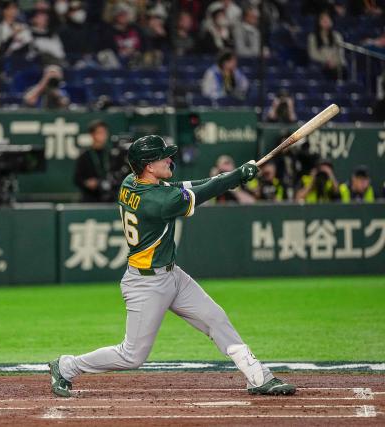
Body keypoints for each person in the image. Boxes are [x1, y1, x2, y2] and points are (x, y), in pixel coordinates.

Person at [48, 135, 296, 398]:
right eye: (162, 157)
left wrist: (233, 175)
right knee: (132, 356)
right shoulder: (159, 202)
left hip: (172, 275)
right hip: (146, 284)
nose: (169, 159)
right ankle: (65, 367)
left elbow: (184, 185)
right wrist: (234, 178)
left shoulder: (131, 182)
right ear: (148, 166)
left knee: (216, 319)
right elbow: (197, 193)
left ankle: (258, 377)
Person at [73, 120, 112, 203]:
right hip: (90, 198)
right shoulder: (84, 156)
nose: (103, 136)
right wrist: (87, 183)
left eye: (104, 133)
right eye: (100, 133)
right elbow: (77, 179)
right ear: (92, 135)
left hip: (109, 198)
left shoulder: (110, 154)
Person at [307, 11, 346, 80]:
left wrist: (334, 62)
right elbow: (313, 54)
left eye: (328, 19)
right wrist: (326, 61)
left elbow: (340, 52)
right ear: (319, 22)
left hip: (337, 65)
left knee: (342, 71)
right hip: (322, 64)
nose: (326, 21)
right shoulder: (313, 37)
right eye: (323, 20)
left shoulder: (337, 36)